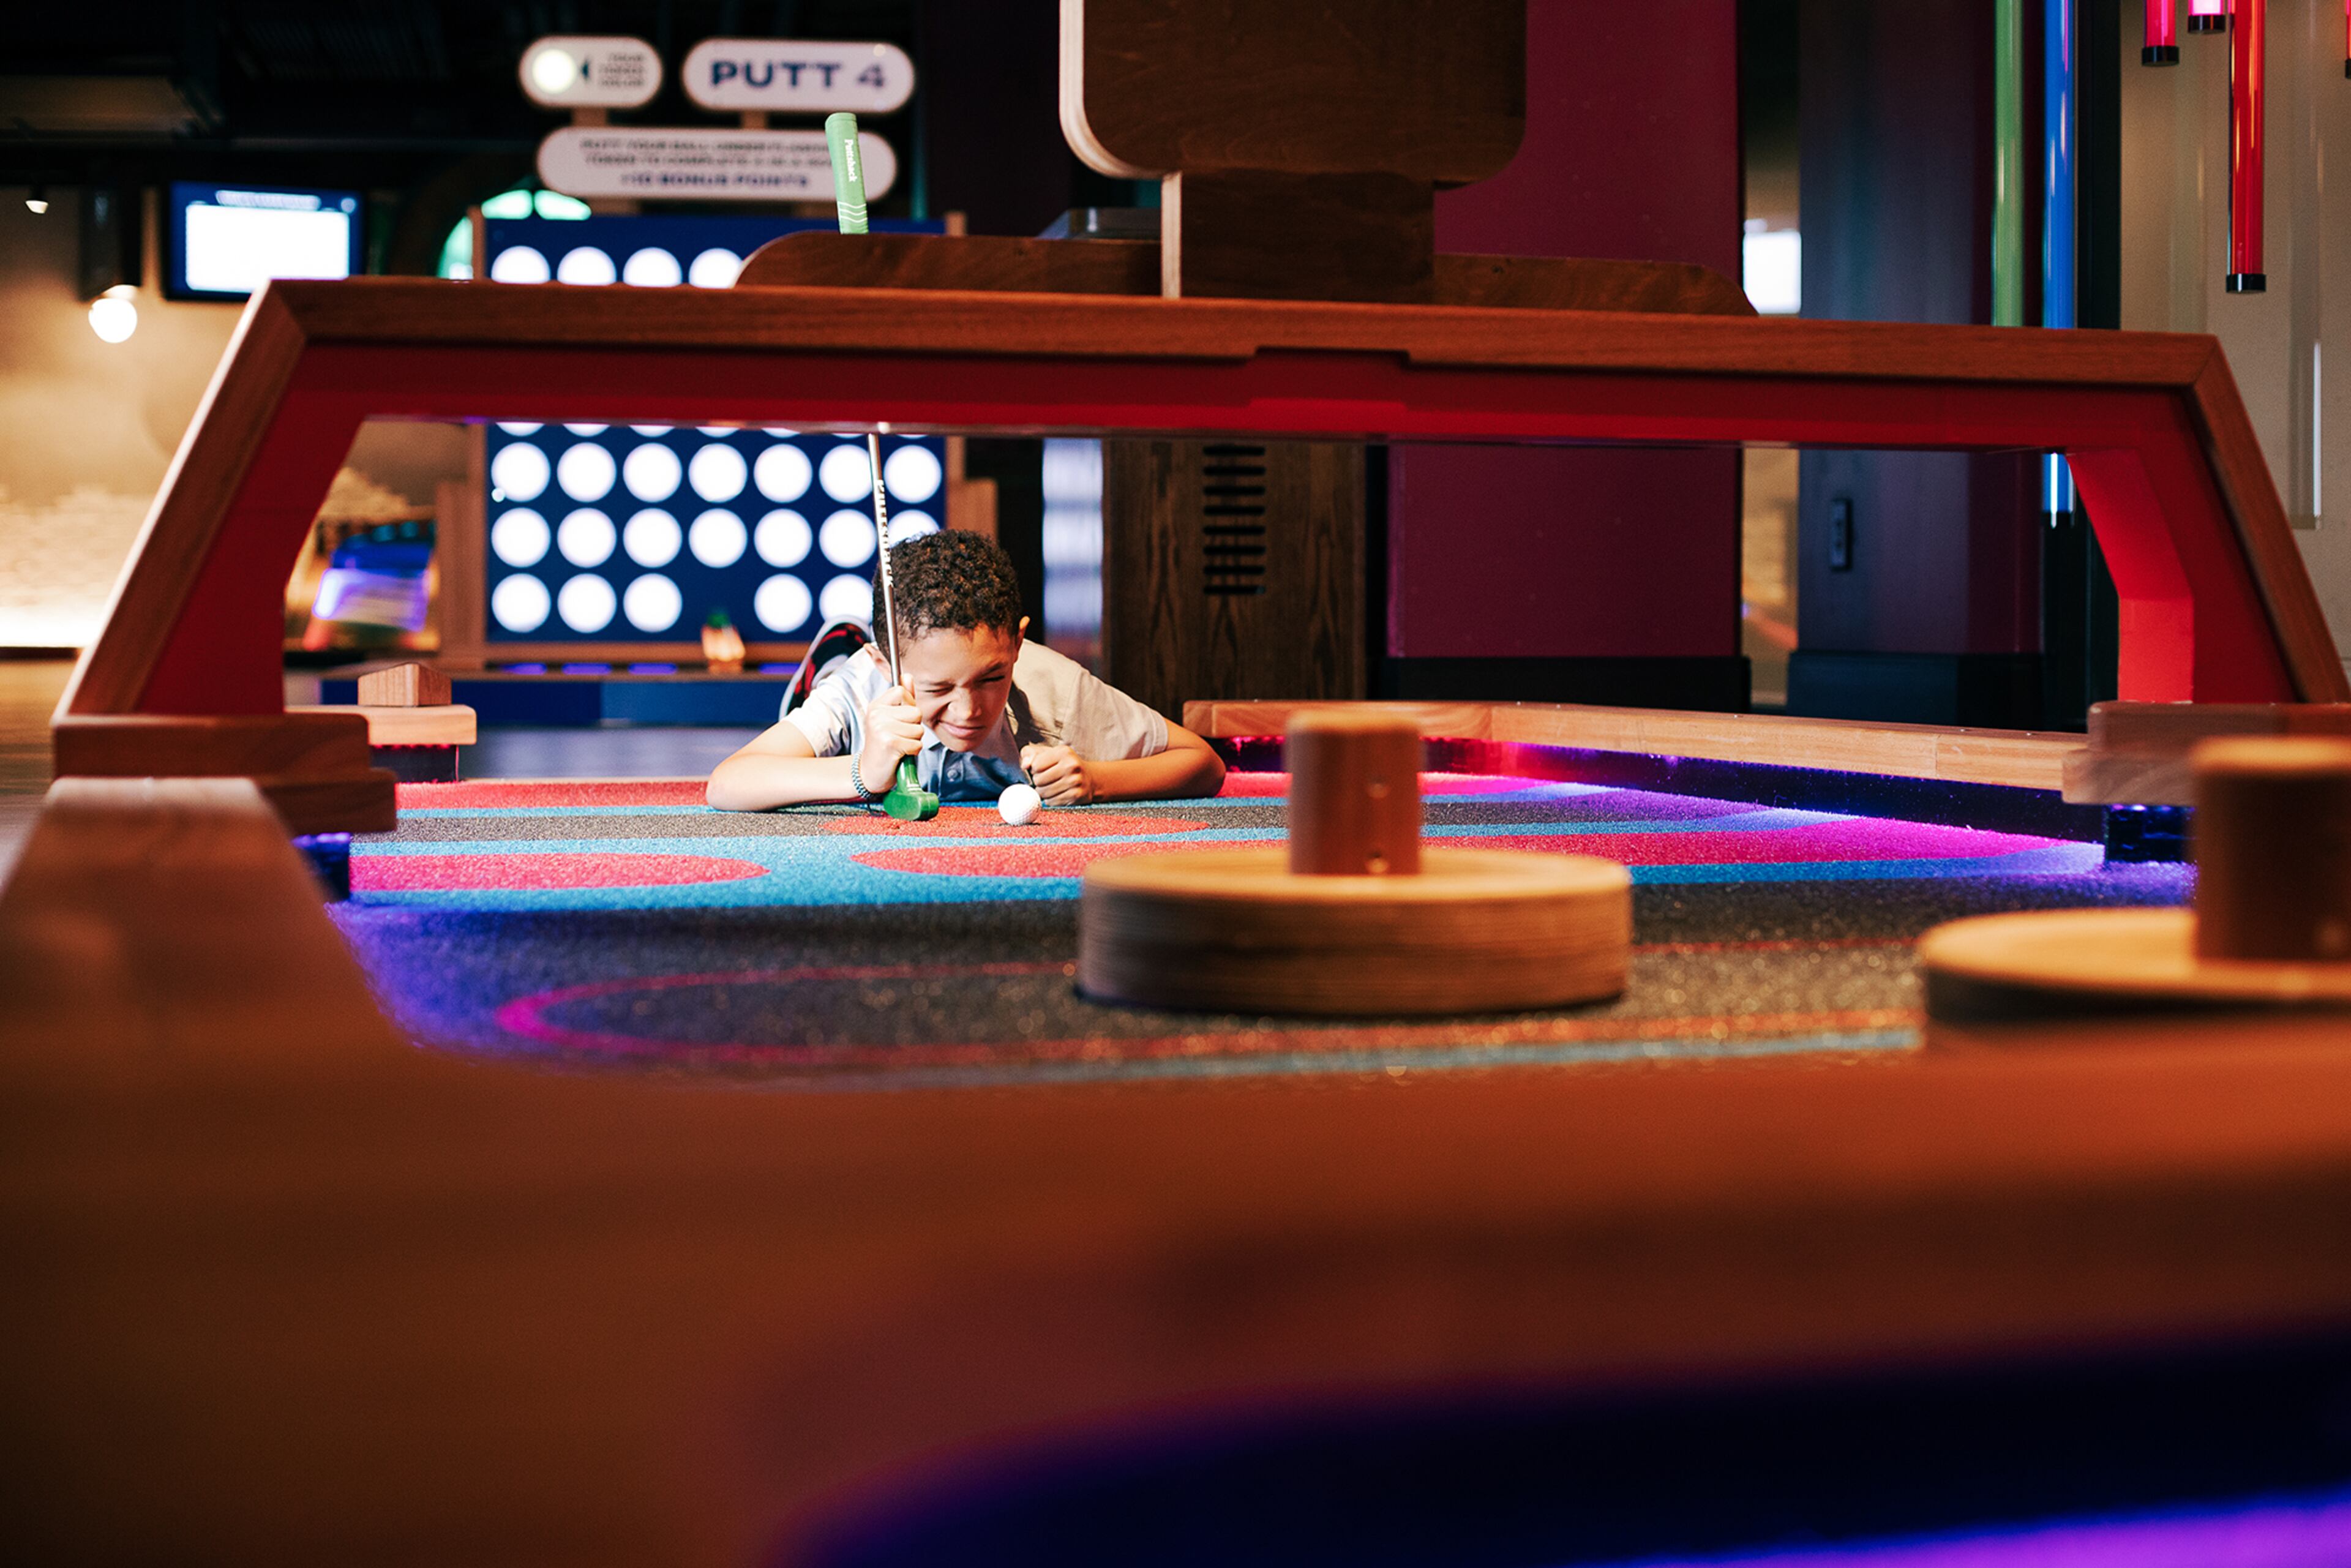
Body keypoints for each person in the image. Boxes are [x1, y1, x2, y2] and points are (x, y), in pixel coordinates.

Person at [706, 530, 1226, 811]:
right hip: (843, 678)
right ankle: (838, 643)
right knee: (817, 703)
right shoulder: (862, 684)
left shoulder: (1051, 685)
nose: (969, 709)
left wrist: (1096, 779)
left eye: (990, 678)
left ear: (1018, 644)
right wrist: (861, 772)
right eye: (936, 687)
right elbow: (729, 783)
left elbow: (1203, 763)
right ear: (885, 663)